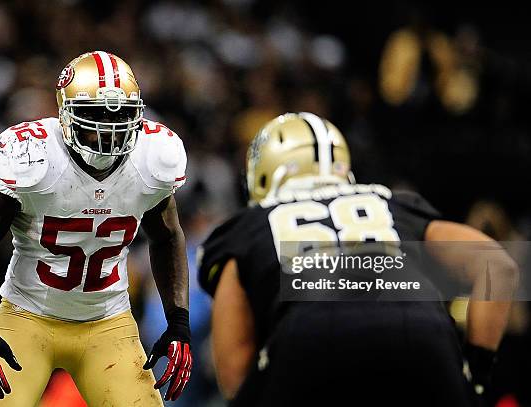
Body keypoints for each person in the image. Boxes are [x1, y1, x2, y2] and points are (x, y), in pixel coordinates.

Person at [198, 112, 518, 406]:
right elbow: (496, 266)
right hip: (420, 332)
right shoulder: (390, 204)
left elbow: (234, 368)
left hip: (307, 338)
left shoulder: (248, 227)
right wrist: (475, 371)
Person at [0, 51, 192, 406]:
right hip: (26, 317)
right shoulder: (33, 157)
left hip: (108, 322)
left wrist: (178, 321)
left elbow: (168, 236)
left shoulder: (154, 157)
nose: (108, 130)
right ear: (65, 114)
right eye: (94, 115)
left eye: (121, 115)